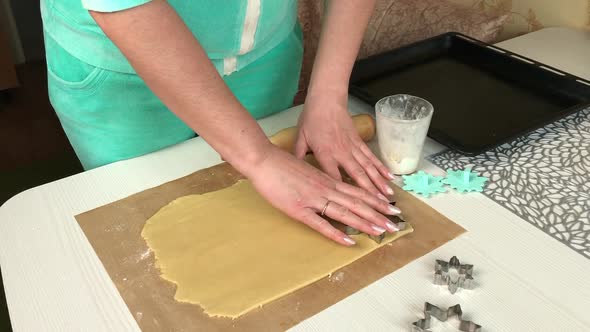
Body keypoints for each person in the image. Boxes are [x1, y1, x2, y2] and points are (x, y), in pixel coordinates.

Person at [40, 0, 402, 246]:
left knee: (261, 228)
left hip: (265, 58)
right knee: (155, 233)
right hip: (122, 73)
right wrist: (258, 157)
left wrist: (327, 95)